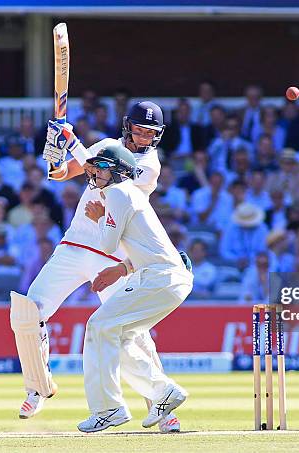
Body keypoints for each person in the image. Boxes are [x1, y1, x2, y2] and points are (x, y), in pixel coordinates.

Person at [9, 101, 183, 433]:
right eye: (140, 129)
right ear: (127, 125)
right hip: (74, 245)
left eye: (151, 133)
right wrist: (54, 146)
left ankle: (161, 408)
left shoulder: (148, 166)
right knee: (27, 311)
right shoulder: (105, 144)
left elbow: (98, 168)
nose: (144, 137)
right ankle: (38, 386)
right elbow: (60, 173)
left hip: (110, 252)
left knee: (130, 332)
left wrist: (71, 137)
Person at [76, 144, 193, 432]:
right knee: (119, 336)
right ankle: (163, 392)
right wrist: (121, 269)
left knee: (99, 325)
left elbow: (106, 245)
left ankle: (108, 409)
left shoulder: (118, 193)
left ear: (117, 171)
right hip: (163, 277)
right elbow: (143, 247)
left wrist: (98, 217)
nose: (95, 174)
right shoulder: (124, 193)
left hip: (160, 277)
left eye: (101, 168)